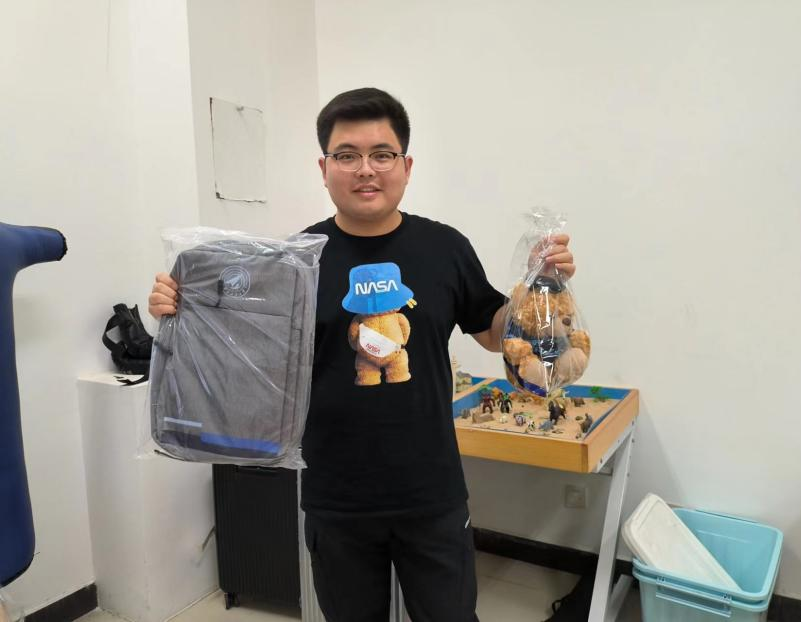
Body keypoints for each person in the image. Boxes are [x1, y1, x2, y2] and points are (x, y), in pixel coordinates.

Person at [149, 87, 575, 622]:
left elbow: (493, 331)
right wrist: (179, 306)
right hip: (335, 495)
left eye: (382, 154)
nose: (365, 169)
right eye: (347, 155)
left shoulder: (444, 247)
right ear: (324, 168)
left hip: (431, 491)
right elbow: (243, 345)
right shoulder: (295, 262)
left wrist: (540, 287)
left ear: (406, 166)